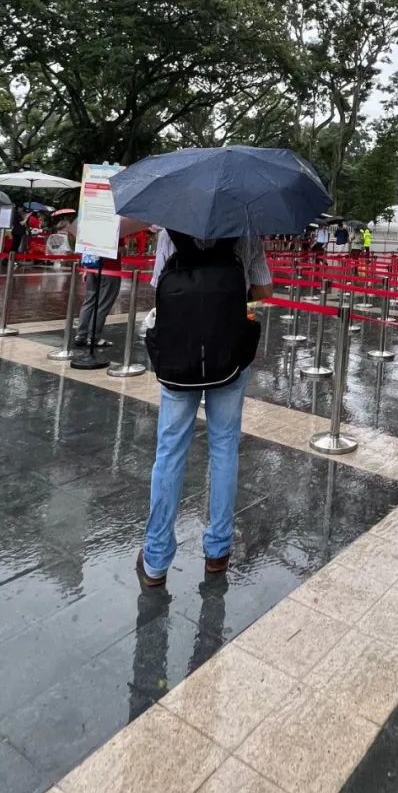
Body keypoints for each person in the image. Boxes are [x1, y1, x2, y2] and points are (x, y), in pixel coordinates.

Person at [137, 228, 271, 588]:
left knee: (169, 452)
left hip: (178, 359)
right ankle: (217, 550)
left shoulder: (171, 231)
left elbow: (158, 287)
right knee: (224, 448)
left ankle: (155, 559)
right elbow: (264, 292)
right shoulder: (246, 233)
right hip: (228, 356)